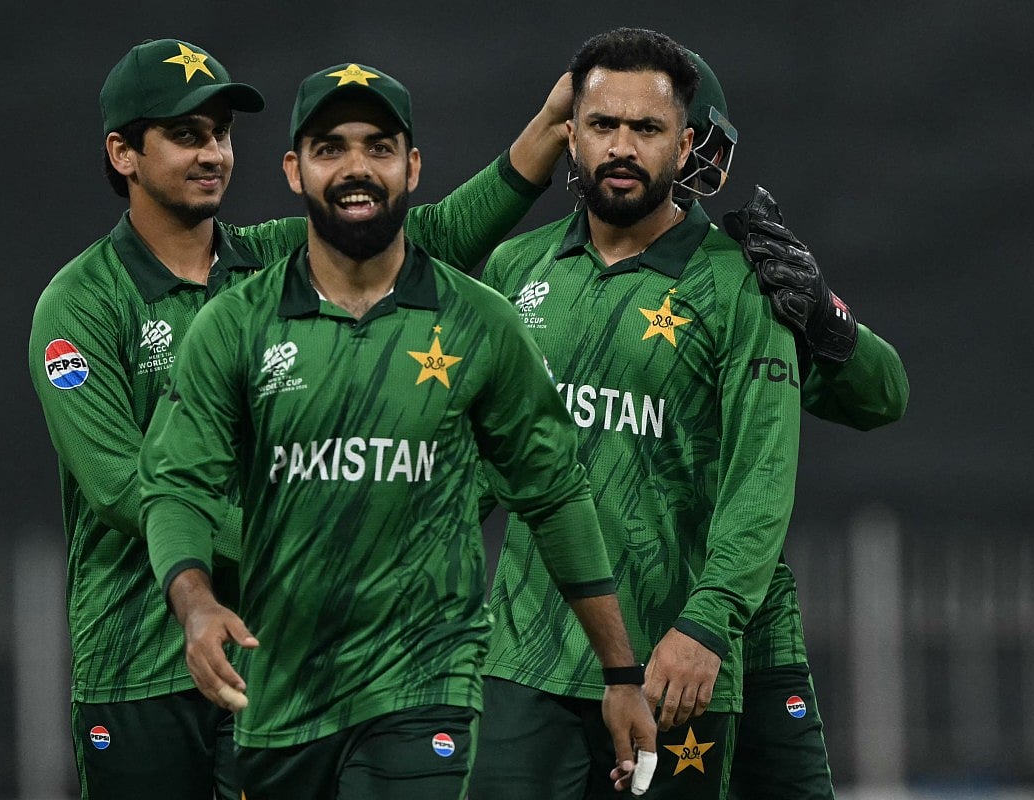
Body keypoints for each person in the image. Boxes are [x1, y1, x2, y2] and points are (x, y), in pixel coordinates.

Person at [28, 37, 578, 800]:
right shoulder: (80, 304)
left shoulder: (270, 261)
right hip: (138, 664)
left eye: (221, 134)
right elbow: (126, 490)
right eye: (186, 135)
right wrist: (326, 528)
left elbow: (440, 237)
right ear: (123, 152)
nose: (214, 153)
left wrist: (551, 129)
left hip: (272, 664)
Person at [137, 62, 657, 800]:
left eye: (379, 147)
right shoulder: (235, 325)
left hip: (424, 682)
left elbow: (554, 494)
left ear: (412, 165)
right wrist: (195, 607)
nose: (357, 169)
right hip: (281, 698)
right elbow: (175, 487)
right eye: (331, 148)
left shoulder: (479, 321)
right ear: (293, 170)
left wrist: (619, 674)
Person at [468, 27, 804, 799]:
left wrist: (707, 624)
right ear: (571, 137)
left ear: (684, 146)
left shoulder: (742, 287)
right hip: (526, 659)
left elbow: (764, 472)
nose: (622, 146)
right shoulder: (517, 269)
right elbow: (482, 463)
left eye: (646, 129)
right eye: (603, 126)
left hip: (672, 663)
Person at [677, 52, 909, 800]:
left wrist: (824, 313)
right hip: (606, 642)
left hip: (750, 634)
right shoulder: (539, 276)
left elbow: (884, 395)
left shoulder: (743, 280)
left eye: (668, 130)